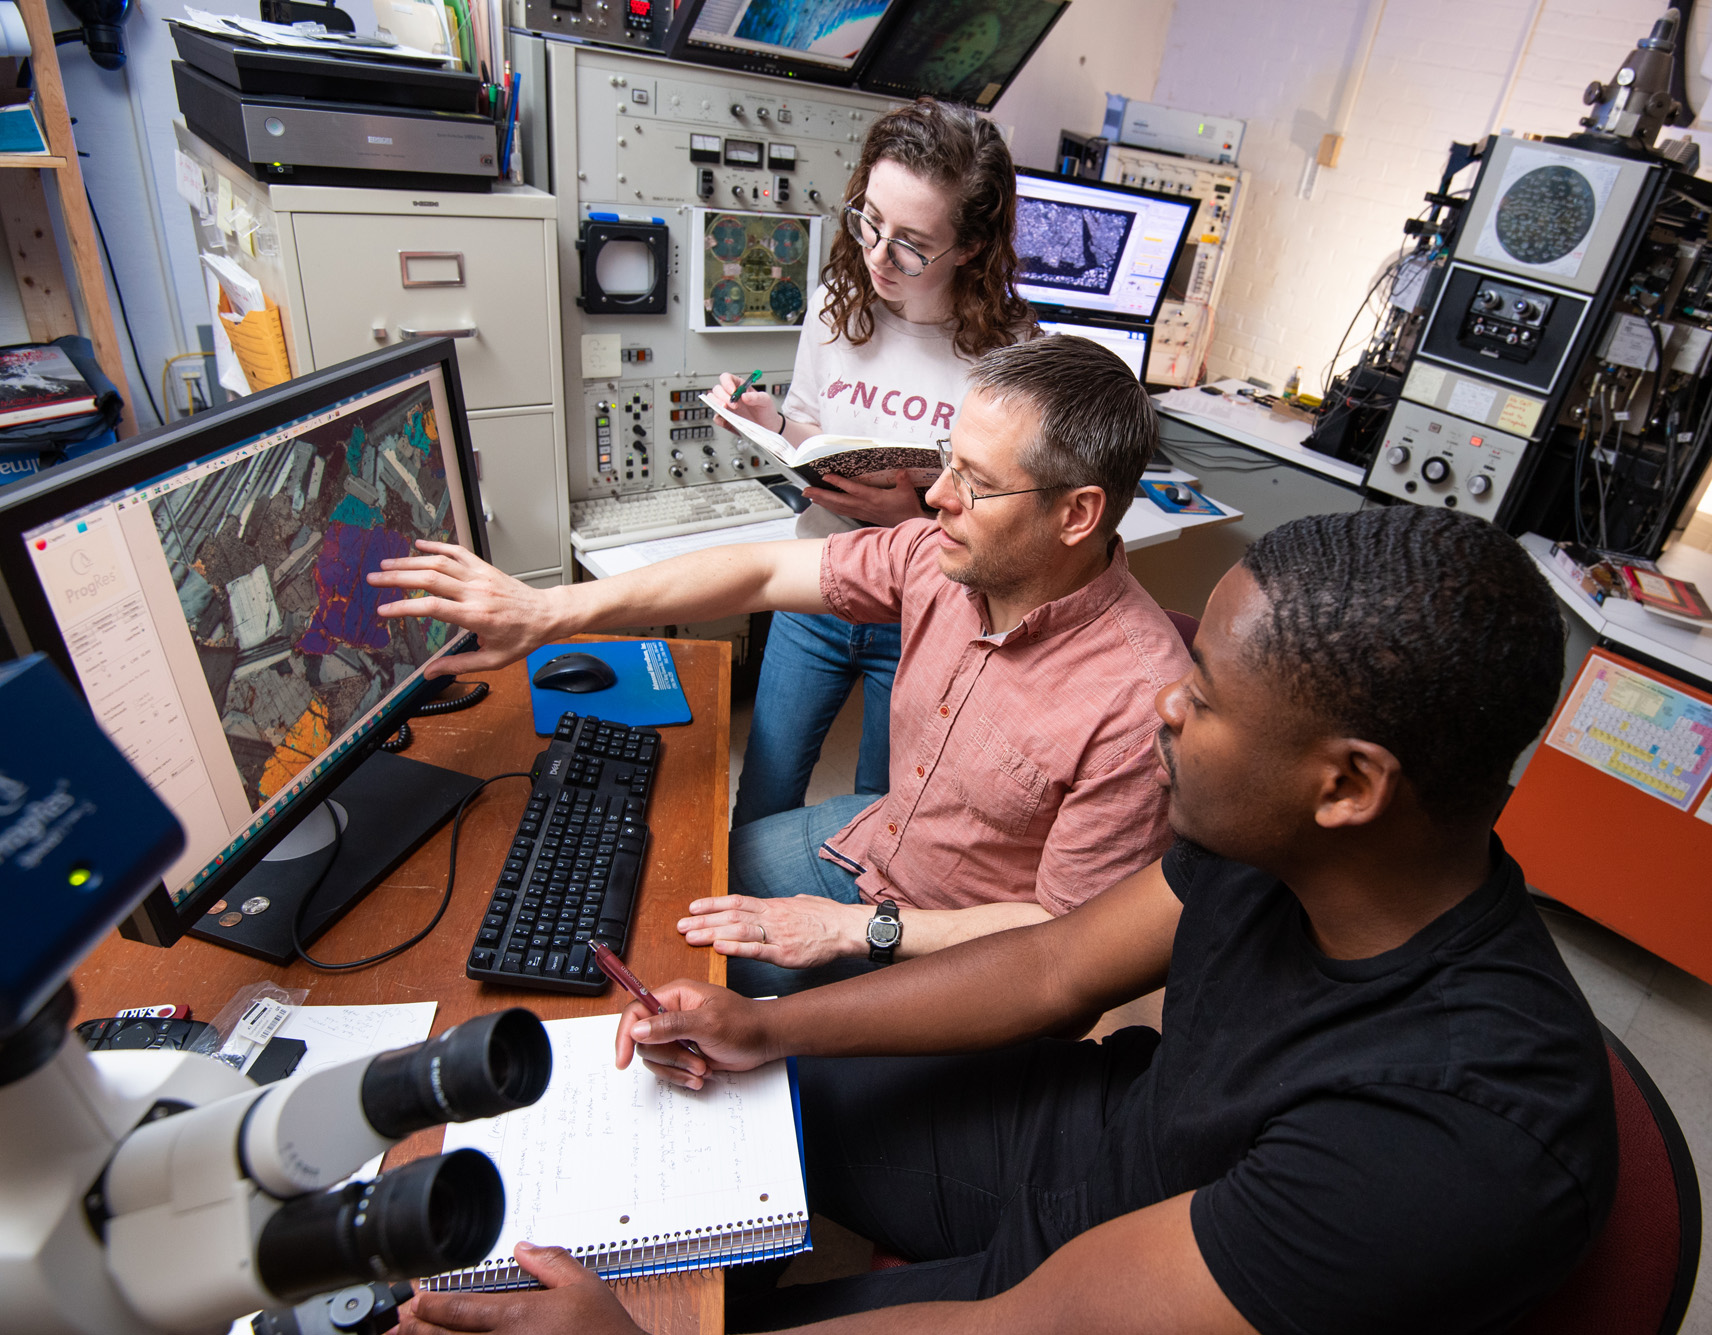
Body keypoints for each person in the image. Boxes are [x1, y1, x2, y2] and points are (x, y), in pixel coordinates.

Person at [389, 507, 1621, 1335]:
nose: (1159, 709)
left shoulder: (1450, 1135)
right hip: (1091, 1136)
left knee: (681, 1314)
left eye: (1199, 694)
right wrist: (778, 1031)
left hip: (1113, 1270)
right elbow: (1051, 970)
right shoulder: (1279, 840)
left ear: (1345, 783)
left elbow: (1026, 1324)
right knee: (719, 1112)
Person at [369, 335, 1188, 998]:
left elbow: (1065, 938)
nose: (933, 495)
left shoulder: (1137, 704)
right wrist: (547, 612)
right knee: (662, 887)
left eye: (973, 482)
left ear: (1076, 514)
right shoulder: (943, 558)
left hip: (962, 958)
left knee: (667, 975)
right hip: (878, 846)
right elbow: (762, 572)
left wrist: (851, 929)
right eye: (948, 458)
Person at [719, 98, 1034, 828]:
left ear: (972, 247)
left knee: (880, 815)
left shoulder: (1011, 347)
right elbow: (808, 427)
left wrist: (911, 515)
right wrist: (768, 422)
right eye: (870, 221)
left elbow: (1012, 506)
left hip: (924, 609)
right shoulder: (836, 303)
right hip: (817, 587)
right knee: (763, 793)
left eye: (913, 243)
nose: (877, 255)